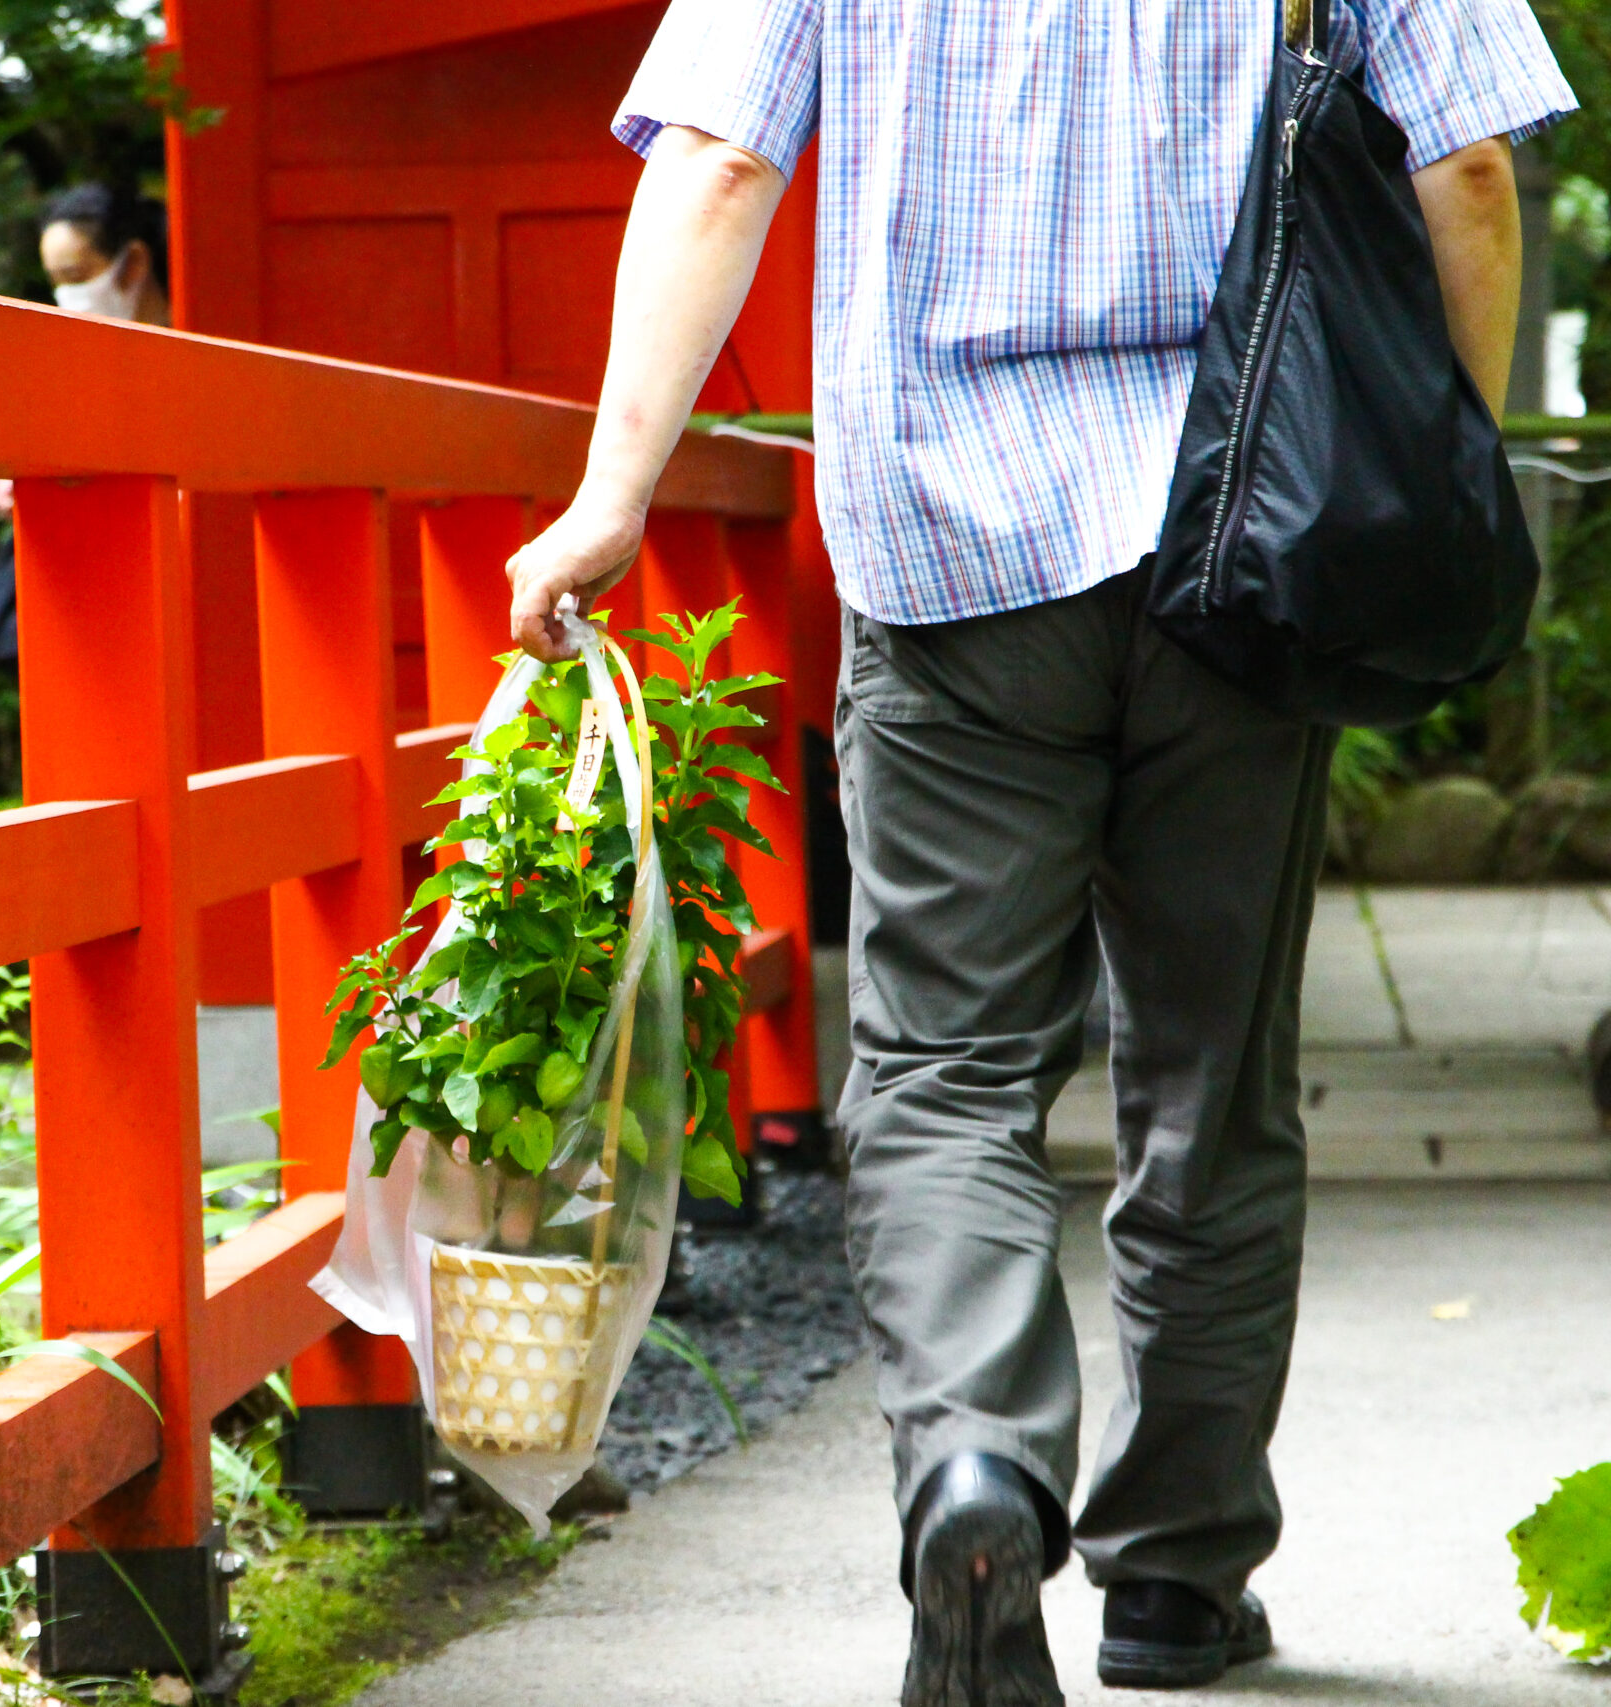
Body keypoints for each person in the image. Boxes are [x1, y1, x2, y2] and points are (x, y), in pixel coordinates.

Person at [504, 5, 1571, 1702]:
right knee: (1213, 1080)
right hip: (1253, 529)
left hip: (946, 547)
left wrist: (610, 492)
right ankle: (1176, 1578)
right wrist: (1432, 475)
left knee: (941, 1069)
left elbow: (717, 154)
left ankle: (980, 1473)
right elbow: (1473, 164)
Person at [0, 180, 174, 666]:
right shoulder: (67, 366)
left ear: (135, 264)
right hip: (92, 602)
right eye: (55, 280)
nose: (66, 294)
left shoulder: (198, 350)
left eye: (78, 275)